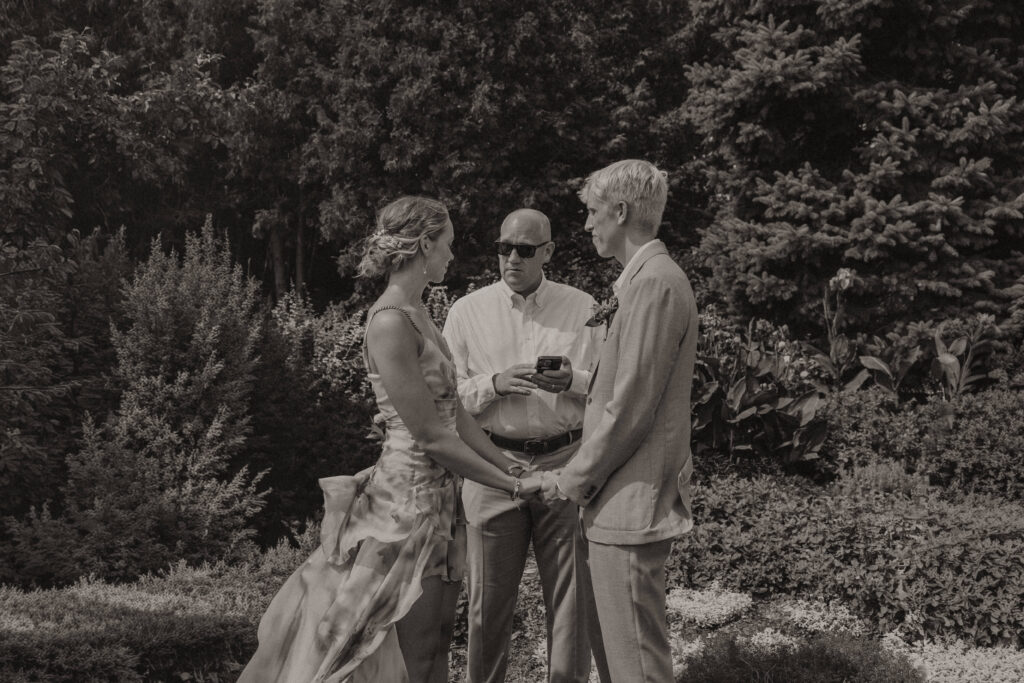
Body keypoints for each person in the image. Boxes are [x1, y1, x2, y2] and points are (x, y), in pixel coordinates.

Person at [239, 196, 542, 683]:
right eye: (447, 244)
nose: (451, 254)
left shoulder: (420, 312)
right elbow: (430, 437)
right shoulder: (388, 323)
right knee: (403, 648)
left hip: (442, 501)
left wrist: (511, 468)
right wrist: (512, 488)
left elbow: (457, 417)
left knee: (439, 641)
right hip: (403, 508)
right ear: (424, 244)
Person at [541, 160, 698, 682]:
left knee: (636, 666)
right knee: (617, 660)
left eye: (592, 212)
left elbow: (630, 408)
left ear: (621, 211)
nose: (587, 225)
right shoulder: (643, 281)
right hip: (617, 506)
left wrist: (573, 480)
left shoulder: (654, 284)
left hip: (629, 506)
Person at [441, 208, 601, 683]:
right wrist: (494, 383)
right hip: (495, 465)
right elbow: (447, 395)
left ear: (548, 252)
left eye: (525, 249)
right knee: (487, 603)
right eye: (503, 247)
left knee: (572, 604)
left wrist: (573, 378)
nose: (511, 257)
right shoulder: (467, 311)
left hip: (565, 461)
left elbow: (611, 388)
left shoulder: (583, 307)